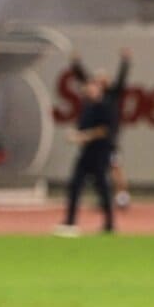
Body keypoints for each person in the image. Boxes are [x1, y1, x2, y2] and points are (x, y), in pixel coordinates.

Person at [70, 49, 131, 209]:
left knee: (115, 166)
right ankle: (105, 199)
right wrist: (76, 64)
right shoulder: (94, 98)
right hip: (94, 142)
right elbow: (83, 78)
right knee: (99, 172)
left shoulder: (111, 95)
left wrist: (125, 62)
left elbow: (121, 81)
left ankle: (122, 196)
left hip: (108, 140)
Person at [55, 75, 114, 236]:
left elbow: (104, 130)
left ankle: (109, 223)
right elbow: (82, 129)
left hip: (100, 153)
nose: (89, 90)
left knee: (102, 188)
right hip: (86, 153)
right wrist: (76, 135)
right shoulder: (87, 107)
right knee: (75, 185)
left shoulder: (105, 106)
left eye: (93, 87)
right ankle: (70, 221)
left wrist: (84, 136)